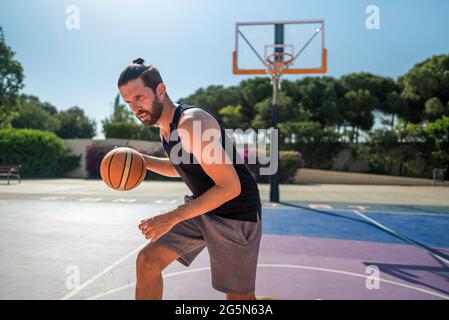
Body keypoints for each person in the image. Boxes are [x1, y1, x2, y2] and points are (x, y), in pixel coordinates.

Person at [118, 58, 266, 300]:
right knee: (147, 262)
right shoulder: (165, 129)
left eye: (139, 97)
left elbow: (230, 187)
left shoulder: (191, 123)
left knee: (240, 301)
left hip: (236, 214)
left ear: (160, 90)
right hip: (205, 207)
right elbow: (182, 168)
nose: (134, 108)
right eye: (128, 102)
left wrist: (172, 217)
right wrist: (140, 161)